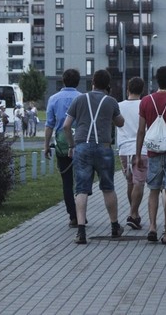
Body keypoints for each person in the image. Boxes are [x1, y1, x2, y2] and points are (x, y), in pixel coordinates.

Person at [63, 69, 125, 245]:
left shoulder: (79, 99)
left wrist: (71, 146)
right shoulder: (111, 101)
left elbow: (66, 126)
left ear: (92, 83)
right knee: (108, 187)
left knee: (81, 189)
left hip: (82, 147)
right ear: (108, 85)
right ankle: (114, 226)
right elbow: (120, 123)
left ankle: (81, 231)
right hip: (104, 148)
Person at [135, 66, 166, 244]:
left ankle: (152, 226)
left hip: (153, 151)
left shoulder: (146, 101)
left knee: (153, 190)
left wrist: (138, 154)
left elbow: (140, 130)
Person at [43, 68, 82, 227]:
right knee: (80, 181)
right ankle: (81, 214)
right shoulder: (82, 98)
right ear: (78, 82)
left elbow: (49, 125)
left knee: (67, 182)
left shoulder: (53, 99)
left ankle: (73, 215)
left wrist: (46, 145)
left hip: (61, 144)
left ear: (63, 81)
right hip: (79, 143)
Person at [116, 77, 147, 230]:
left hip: (123, 149)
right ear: (142, 90)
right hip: (142, 149)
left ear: (127, 89)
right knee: (139, 182)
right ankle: (133, 214)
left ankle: (134, 213)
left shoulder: (118, 106)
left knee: (130, 182)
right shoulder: (144, 104)